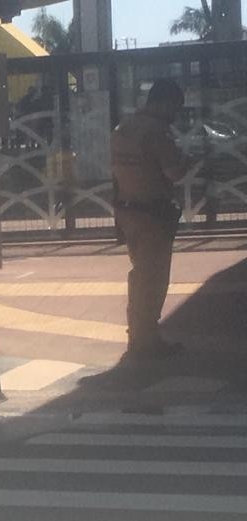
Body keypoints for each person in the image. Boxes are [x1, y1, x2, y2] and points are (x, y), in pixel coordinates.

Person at [110, 79, 191, 359]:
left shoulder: (125, 128)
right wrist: (189, 157)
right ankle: (146, 341)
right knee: (154, 278)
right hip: (153, 214)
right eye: (175, 107)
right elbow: (174, 173)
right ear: (165, 102)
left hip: (127, 211)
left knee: (140, 274)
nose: (175, 114)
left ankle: (137, 334)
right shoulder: (157, 132)